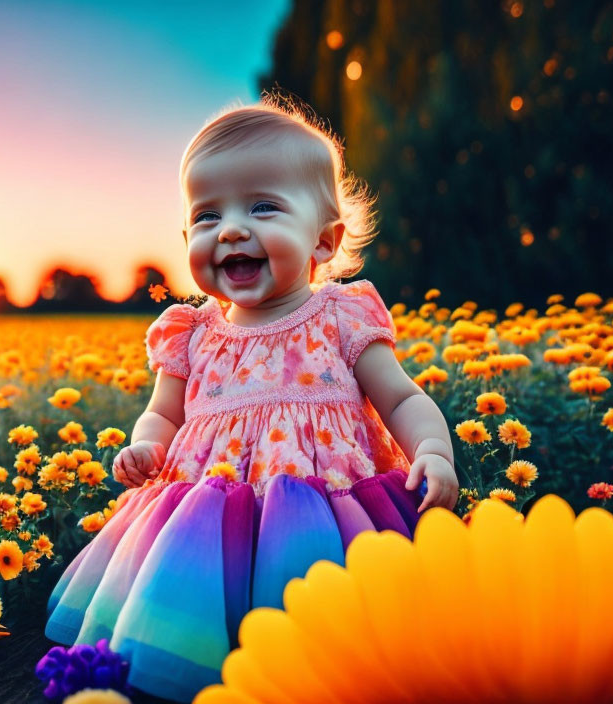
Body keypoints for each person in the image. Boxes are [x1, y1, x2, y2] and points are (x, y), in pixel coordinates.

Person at [44, 92, 459, 703]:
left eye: (263, 207)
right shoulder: (192, 334)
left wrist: (433, 450)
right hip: (201, 518)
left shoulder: (341, 317)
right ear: (188, 235)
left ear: (323, 242)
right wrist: (144, 447)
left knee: (334, 630)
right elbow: (165, 412)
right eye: (208, 216)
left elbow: (400, 399)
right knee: (200, 610)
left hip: (328, 512)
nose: (231, 228)